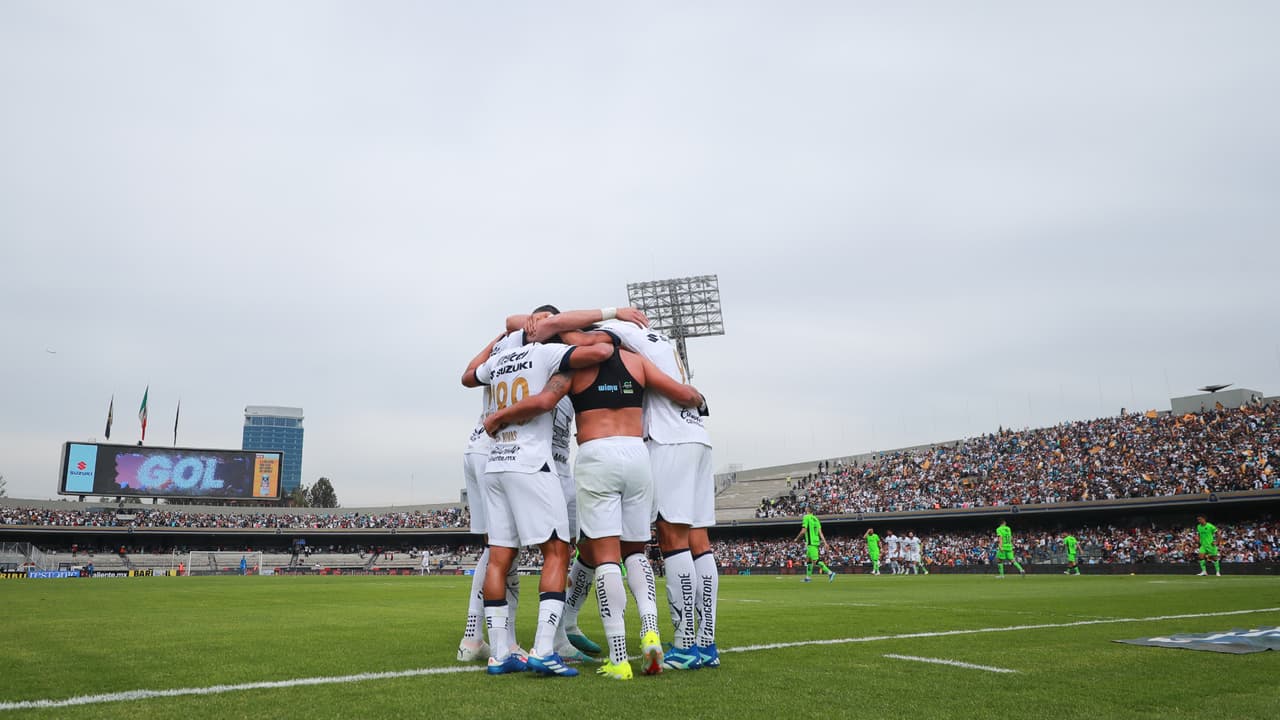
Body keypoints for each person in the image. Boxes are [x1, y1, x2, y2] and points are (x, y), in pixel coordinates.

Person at [491, 328, 703, 679]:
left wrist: (500, 416)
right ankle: (651, 631)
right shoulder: (637, 363)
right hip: (637, 455)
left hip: (596, 455)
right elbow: (683, 393)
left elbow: (544, 401)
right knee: (636, 553)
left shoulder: (574, 369)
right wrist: (697, 398)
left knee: (606, 557)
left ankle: (619, 658)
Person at [465, 334, 613, 676]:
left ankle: (501, 653)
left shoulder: (503, 358)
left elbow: (469, 375)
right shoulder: (549, 354)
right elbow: (599, 352)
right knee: (558, 551)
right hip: (532, 463)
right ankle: (545, 649)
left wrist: (494, 342)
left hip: (496, 463)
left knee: (499, 559)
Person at [794, 510, 835, 582]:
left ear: (807, 510)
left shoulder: (806, 517)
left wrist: (797, 538)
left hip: (811, 542)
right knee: (808, 560)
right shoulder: (816, 519)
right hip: (816, 542)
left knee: (815, 561)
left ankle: (830, 573)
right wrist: (825, 543)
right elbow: (820, 533)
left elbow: (803, 531)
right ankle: (808, 578)